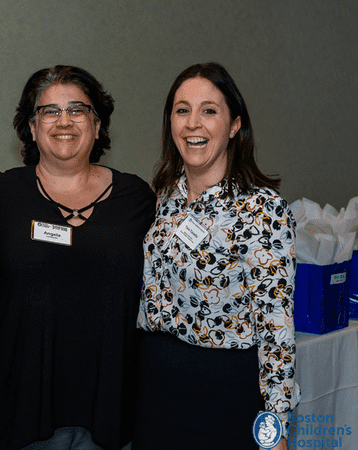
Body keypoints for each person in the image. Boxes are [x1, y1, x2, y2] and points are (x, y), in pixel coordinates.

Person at [0, 65, 156, 450]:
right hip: (11, 415)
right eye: (49, 111)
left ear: (98, 124)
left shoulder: (136, 199)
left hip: (108, 415)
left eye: (77, 109)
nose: (64, 121)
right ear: (32, 127)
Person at [134, 62, 300, 450]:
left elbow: (277, 330)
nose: (193, 124)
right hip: (155, 391)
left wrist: (274, 428)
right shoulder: (164, 197)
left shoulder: (263, 209)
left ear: (235, 125)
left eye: (209, 111)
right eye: (182, 110)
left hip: (224, 396)